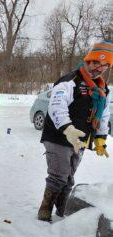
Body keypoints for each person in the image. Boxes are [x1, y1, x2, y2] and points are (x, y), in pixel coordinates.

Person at [38, 40, 112, 221]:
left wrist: (101, 137)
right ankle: (44, 212)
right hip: (58, 136)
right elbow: (56, 108)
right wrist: (68, 129)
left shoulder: (102, 89)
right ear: (88, 61)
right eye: (96, 63)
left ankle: (62, 212)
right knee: (59, 175)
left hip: (80, 139)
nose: (98, 68)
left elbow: (104, 114)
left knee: (69, 177)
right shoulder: (69, 82)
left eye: (104, 65)